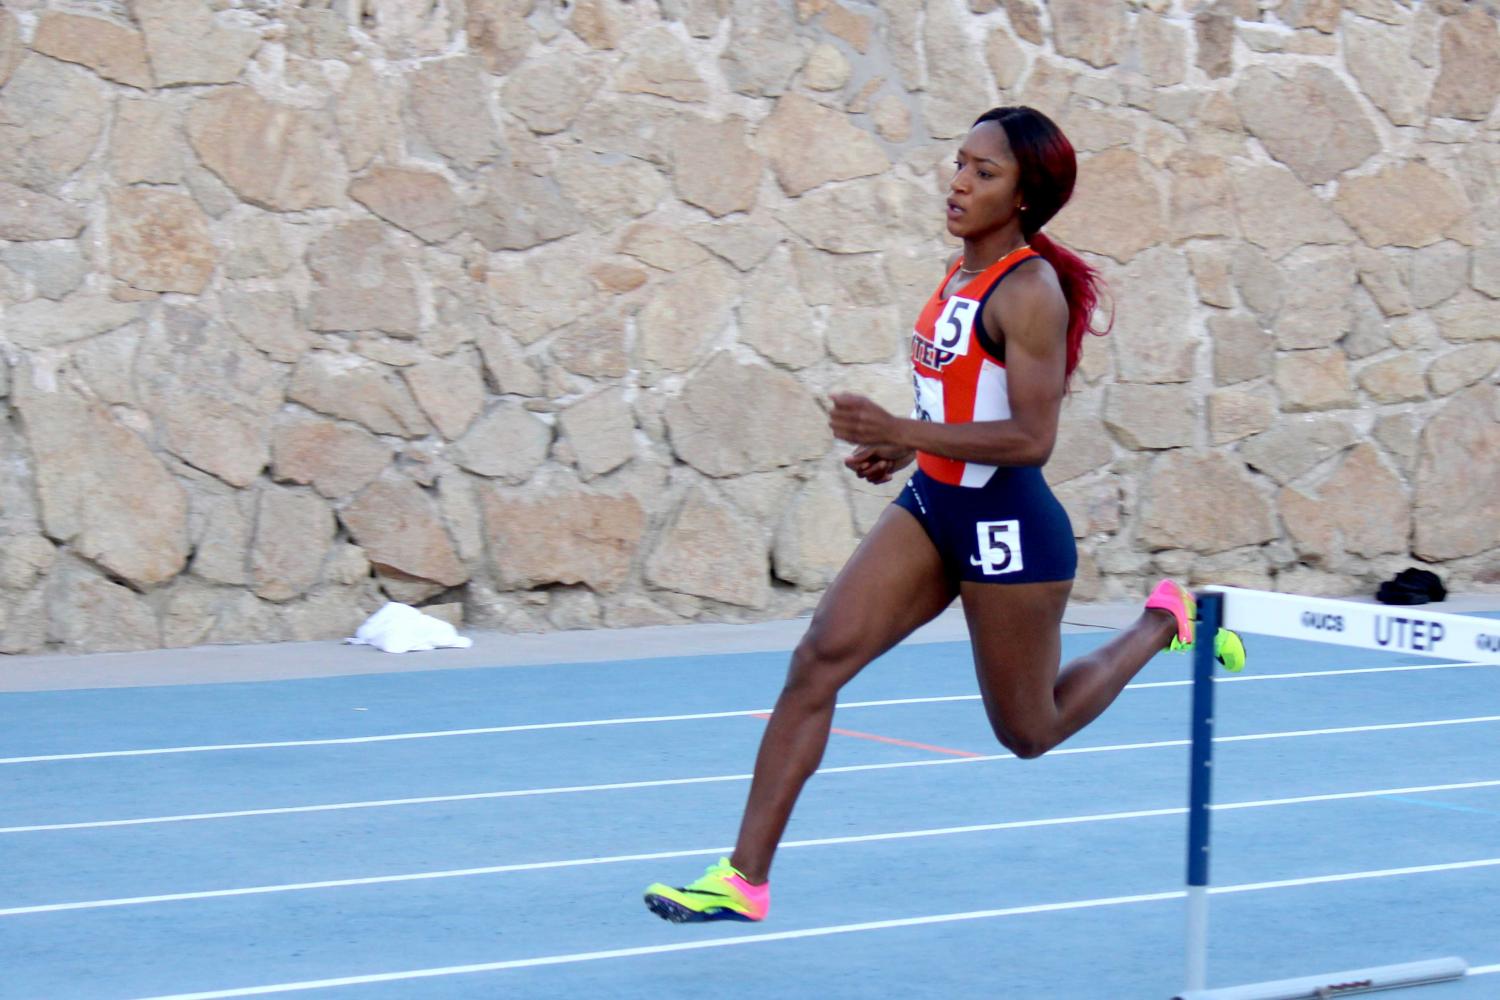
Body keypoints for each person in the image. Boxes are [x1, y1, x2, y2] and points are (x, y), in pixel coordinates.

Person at [643, 106, 1245, 924]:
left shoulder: (1029, 291)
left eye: (984, 172)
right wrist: (906, 450)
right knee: (818, 658)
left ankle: (1162, 620)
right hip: (933, 503)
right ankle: (743, 878)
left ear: (1026, 196)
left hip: (1009, 525)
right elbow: (962, 396)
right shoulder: (957, 275)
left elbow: (1032, 437)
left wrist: (901, 430)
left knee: (1028, 732)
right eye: (959, 162)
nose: (959, 181)